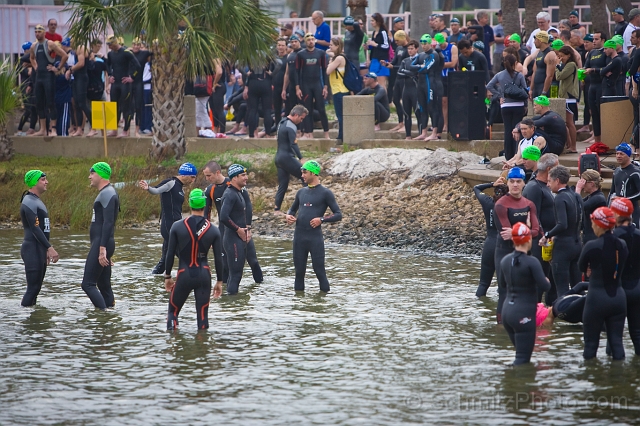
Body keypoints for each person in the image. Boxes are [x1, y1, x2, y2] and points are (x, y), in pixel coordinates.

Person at [163, 189, 223, 330]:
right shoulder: (214, 230)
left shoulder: (177, 226)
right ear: (205, 204)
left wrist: (167, 277)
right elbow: (219, 259)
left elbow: (169, 253)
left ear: (189, 204)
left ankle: (174, 346)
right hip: (204, 275)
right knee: (203, 319)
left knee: (173, 313)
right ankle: (202, 348)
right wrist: (219, 281)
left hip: (185, 273)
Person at [579, 206, 628, 360]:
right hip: (618, 299)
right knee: (617, 344)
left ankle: (593, 381)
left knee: (590, 346)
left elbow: (581, 267)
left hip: (596, 300)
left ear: (598, 224)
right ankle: (618, 381)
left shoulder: (591, 246)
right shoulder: (622, 245)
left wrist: (590, 268)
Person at [286, 160, 342, 292]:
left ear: (313, 173)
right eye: (302, 172)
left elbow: (338, 214)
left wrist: (321, 219)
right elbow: (292, 209)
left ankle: (323, 306)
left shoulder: (325, 193)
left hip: (314, 239)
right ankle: (299, 306)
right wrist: (288, 216)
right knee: (299, 273)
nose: (302, 175)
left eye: (305, 172)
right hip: (299, 238)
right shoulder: (301, 192)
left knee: (320, 272)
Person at [494, 167, 541, 323]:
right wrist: (526, 230)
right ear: (507, 183)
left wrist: (520, 232)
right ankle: (501, 326)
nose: (515, 185)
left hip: (524, 253)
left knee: (525, 290)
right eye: (512, 181)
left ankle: (524, 320)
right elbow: (506, 235)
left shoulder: (529, 204)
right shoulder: (501, 204)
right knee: (504, 291)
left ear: (524, 183)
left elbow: (537, 230)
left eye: (518, 181)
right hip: (504, 252)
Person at [203, 161, 262, 286]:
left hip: (243, 229)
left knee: (253, 262)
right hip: (225, 232)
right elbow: (206, 215)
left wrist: (248, 227)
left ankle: (260, 288)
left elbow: (248, 205)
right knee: (226, 266)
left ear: (217, 172)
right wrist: (208, 235)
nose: (207, 179)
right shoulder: (210, 190)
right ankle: (226, 297)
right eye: (206, 176)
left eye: (209, 176)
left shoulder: (235, 182)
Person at [499, 222, 550, 365]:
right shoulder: (532, 262)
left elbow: (502, 285)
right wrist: (545, 279)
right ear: (528, 240)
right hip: (523, 315)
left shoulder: (505, 260)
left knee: (520, 355)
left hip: (507, 313)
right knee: (523, 360)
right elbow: (545, 286)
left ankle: (510, 384)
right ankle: (523, 386)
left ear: (513, 240)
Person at [138, 163, 197, 275]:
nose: (193, 180)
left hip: (177, 225)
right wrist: (148, 188)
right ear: (184, 174)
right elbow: (156, 190)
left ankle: (154, 277)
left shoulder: (181, 188)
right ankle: (194, 274)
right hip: (168, 226)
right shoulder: (171, 183)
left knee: (165, 260)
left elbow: (177, 210)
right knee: (183, 253)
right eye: (192, 177)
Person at [539, 165, 582, 300]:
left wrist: (547, 235)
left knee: (562, 289)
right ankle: (580, 316)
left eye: (550, 181)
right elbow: (582, 222)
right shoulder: (576, 195)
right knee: (577, 286)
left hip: (563, 246)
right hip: (577, 244)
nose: (548, 184)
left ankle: (562, 316)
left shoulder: (559, 198)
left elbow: (562, 225)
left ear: (557, 181)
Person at [219, 164, 263, 295]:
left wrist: (248, 229)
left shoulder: (239, 192)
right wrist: (238, 229)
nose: (246, 177)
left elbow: (243, 214)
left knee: (253, 262)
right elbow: (223, 217)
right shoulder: (229, 194)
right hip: (233, 239)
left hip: (244, 236)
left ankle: (260, 291)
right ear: (234, 178)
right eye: (243, 175)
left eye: (246, 174)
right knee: (236, 275)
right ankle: (233, 308)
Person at [82, 162, 119, 310]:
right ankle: (109, 316)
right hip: (103, 243)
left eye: (92, 173)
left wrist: (103, 249)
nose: (89, 176)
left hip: (102, 243)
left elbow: (109, 223)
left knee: (87, 284)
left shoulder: (108, 193)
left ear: (101, 174)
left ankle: (103, 315)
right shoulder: (106, 192)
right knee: (103, 285)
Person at [19, 170, 59, 306]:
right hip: (31, 249)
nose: (46, 182)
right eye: (43, 179)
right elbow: (35, 229)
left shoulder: (36, 201)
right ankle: (25, 320)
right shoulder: (29, 201)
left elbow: (42, 228)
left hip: (39, 249)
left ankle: (34, 322)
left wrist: (45, 248)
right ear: (34, 182)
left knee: (36, 290)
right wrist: (49, 247)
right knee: (33, 289)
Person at [523, 151, 558, 302]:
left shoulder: (548, 186)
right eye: (558, 166)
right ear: (549, 169)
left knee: (552, 278)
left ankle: (550, 312)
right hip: (540, 240)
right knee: (540, 277)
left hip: (550, 238)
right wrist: (545, 236)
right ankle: (535, 308)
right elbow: (532, 215)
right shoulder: (534, 187)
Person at [610, 198, 640, 355]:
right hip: (637, 288)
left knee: (614, 337)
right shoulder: (638, 234)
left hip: (618, 291)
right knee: (637, 334)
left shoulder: (612, 237)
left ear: (616, 213)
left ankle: (613, 374)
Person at [486, 54, 527, 160]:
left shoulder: (499, 75)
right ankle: (516, 153)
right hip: (518, 105)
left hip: (505, 105)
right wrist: (525, 104)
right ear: (515, 63)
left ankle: (508, 155)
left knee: (508, 130)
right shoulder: (519, 75)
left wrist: (499, 96)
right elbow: (524, 90)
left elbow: (489, 85)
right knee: (517, 129)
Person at [30, 24, 68, 137]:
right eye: (36, 32)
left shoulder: (50, 44)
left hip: (48, 76)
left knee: (50, 102)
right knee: (39, 103)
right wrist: (35, 66)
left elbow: (64, 55)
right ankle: (42, 129)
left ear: (44, 32)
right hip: (39, 77)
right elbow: (31, 58)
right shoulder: (34, 46)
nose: (37, 34)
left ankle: (53, 129)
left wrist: (57, 68)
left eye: (39, 32)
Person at [474, 177, 508, 297]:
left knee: (483, 284)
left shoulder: (487, 201)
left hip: (489, 244)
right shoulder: (510, 206)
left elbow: (476, 188)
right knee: (503, 286)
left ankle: (479, 307)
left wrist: (492, 183)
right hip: (503, 246)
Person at [274, 105, 307, 214]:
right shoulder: (291, 126)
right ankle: (308, 204)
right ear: (296, 115)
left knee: (283, 184)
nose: (301, 121)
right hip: (287, 157)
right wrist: (301, 158)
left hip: (279, 157)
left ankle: (276, 209)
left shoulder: (282, 122)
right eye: (301, 118)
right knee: (305, 177)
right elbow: (293, 144)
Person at [295, 34, 329, 139]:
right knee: (307, 110)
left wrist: (325, 87)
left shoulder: (320, 53)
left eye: (312, 39)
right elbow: (297, 72)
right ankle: (310, 133)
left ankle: (326, 134)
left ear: (314, 41)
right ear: (305, 41)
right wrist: (297, 88)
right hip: (306, 85)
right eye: (308, 40)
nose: (311, 41)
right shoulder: (301, 54)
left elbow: (324, 70)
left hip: (317, 84)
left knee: (322, 109)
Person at [105, 35, 140, 138]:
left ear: (115, 43)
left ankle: (125, 130)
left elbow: (137, 65)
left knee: (126, 107)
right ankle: (114, 129)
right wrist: (110, 75)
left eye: (110, 45)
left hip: (125, 84)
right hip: (115, 84)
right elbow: (107, 65)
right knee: (113, 107)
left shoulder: (126, 53)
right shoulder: (110, 54)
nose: (109, 47)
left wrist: (132, 77)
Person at [411, 35, 442, 140]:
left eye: (425, 44)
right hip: (421, 84)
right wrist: (420, 67)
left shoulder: (434, 55)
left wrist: (418, 68)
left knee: (432, 107)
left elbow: (426, 69)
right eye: (422, 44)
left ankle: (434, 133)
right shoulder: (420, 55)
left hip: (430, 83)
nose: (423, 46)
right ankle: (424, 132)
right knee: (422, 108)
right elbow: (411, 66)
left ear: (430, 43)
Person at [383, 30, 409, 132]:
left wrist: (393, 66)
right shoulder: (398, 48)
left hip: (405, 78)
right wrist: (386, 63)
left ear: (403, 38)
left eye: (398, 40)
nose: (396, 42)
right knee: (395, 100)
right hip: (398, 77)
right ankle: (400, 122)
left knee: (406, 101)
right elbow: (394, 61)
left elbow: (405, 65)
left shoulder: (409, 49)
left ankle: (406, 124)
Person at [554, 46, 579, 153]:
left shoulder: (571, 65)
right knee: (566, 123)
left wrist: (557, 65)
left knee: (570, 123)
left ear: (569, 55)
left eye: (562, 56)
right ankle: (569, 145)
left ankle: (573, 146)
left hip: (569, 98)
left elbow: (559, 76)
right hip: (564, 97)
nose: (561, 58)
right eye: (559, 56)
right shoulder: (566, 65)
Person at [584, 31, 607, 145]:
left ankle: (605, 139)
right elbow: (586, 66)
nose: (594, 41)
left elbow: (607, 69)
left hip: (601, 86)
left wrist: (594, 70)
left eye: (596, 39)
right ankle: (597, 141)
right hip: (591, 86)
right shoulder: (591, 52)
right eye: (593, 39)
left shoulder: (606, 52)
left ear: (603, 40)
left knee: (601, 112)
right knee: (593, 113)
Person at [609, 143, 640, 227]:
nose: (618, 156)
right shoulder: (617, 171)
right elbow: (612, 192)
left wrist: (624, 199)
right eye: (617, 153)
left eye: (622, 154)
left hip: (631, 211)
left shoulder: (635, 172)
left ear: (628, 155)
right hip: (617, 211)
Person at [327, 37, 350, 142]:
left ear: (337, 46)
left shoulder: (339, 59)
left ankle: (341, 137)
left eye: (332, 45)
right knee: (340, 114)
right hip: (337, 90)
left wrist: (330, 61)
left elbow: (327, 71)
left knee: (340, 115)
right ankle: (342, 136)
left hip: (340, 90)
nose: (329, 47)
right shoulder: (338, 57)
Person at [575, 169, 607, 244]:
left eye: (583, 182)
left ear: (591, 184)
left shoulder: (598, 198)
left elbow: (579, 207)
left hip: (595, 237)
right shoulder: (591, 196)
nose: (582, 186)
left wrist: (578, 190)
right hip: (589, 235)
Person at [398, 40, 420, 140]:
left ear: (416, 49)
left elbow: (418, 74)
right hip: (406, 89)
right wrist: (410, 73)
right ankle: (408, 135)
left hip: (416, 89)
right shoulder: (405, 61)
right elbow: (399, 74)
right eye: (408, 49)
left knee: (418, 112)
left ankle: (421, 134)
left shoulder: (420, 59)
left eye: (412, 49)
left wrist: (405, 72)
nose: (410, 51)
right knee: (406, 113)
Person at [130, 38, 152, 138]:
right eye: (135, 45)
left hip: (142, 84)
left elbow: (153, 52)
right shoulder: (129, 53)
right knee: (131, 106)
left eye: (139, 45)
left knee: (143, 107)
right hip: (131, 82)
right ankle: (129, 129)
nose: (137, 47)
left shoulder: (145, 57)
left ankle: (143, 127)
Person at [437, 33, 458, 133]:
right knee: (443, 102)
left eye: (441, 44)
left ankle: (452, 122)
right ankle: (444, 124)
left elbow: (453, 63)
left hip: (451, 77)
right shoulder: (436, 49)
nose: (441, 46)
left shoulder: (452, 47)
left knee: (453, 101)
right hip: (440, 77)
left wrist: (440, 65)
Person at [366, 13, 391, 91]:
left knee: (381, 82)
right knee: (373, 81)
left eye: (373, 21)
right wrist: (368, 46)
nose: (371, 22)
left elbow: (386, 46)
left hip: (382, 60)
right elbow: (375, 47)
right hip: (374, 59)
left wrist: (375, 44)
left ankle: (384, 101)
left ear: (378, 21)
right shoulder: (374, 33)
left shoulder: (383, 32)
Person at [530, 31, 556, 99]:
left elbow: (550, 76)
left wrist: (544, 92)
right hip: (536, 88)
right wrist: (531, 89)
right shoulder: (539, 53)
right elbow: (534, 72)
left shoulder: (550, 54)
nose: (534, 42)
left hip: (544, 89)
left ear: (540, 40)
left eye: (535, 40)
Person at [281, 35, 302, 117]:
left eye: (295, 41)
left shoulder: (303, 53)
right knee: (293, 108)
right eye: (292, 42)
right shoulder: (290, 55)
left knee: (302, 107)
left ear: (299, 41)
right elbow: (287, 73)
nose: (294, 43)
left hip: (302, 84)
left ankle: (303, 128)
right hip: (292, 85)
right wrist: (284, 89)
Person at [492, 10, 505, 74]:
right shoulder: (496, 28)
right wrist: (505, 39)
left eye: (500, 16)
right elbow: (494, 39)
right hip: (498, 52)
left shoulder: (509, 27)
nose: (499, 18)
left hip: (507, 52)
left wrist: (500, 39)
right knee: (496, 71)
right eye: (498, 16)